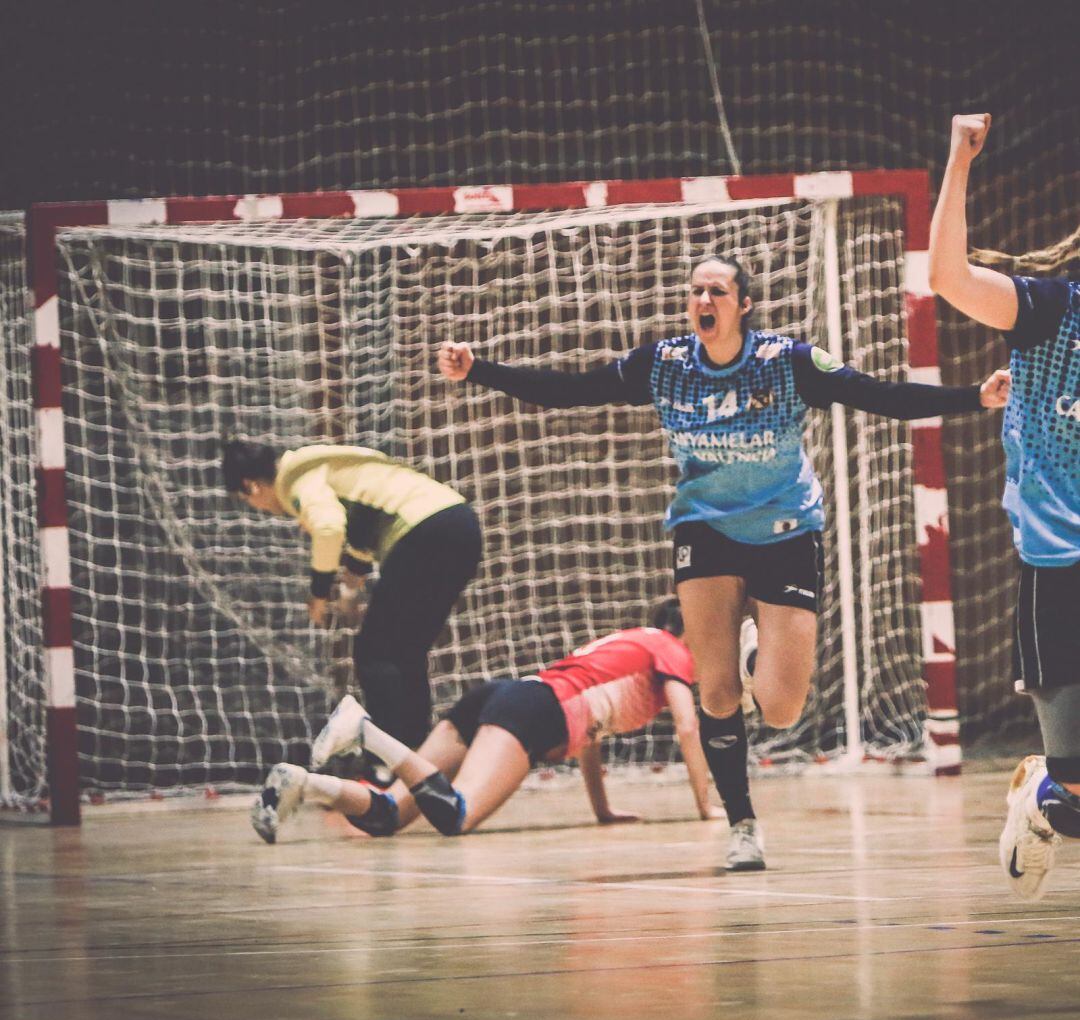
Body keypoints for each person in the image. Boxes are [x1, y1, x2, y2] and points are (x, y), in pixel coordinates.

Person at [437, 255, 1010, 870]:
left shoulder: (787, 362)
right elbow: (574, 390)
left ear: (743, 305)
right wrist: (481, 371)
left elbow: (876, 395)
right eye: (695, 291)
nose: (703, 299)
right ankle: (742, 825)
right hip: (704, 532)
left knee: (783, 707)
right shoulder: (665, 365)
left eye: (717, 290)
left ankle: (755, 649)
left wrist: (971, 398)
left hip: (785, 532)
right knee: (714, 693)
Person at [928, 112, 1080, 901]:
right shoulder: (1052, 311)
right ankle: (1043, 797)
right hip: (1059, 567)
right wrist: (959, 160)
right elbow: (949, 278)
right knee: (1079, 793)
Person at [251, 600, 724, 842]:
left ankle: (307, 784)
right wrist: (707, 808)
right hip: (533, 710)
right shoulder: (673, 650)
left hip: (508, 696)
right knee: (454, 816)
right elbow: (688, 726)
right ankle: (364, 730)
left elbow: (590, 737)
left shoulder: (630, 645)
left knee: (390, 817)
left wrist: (602, 810)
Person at [223, 441, 482, 753]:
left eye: (248, 501)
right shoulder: (323, 466)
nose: (260, 508)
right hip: (459, 523)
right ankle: (418, 758)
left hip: (423, 530)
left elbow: (330, 528)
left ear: (251, 487)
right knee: (404, 653)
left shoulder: (295, 478)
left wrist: (319, 593)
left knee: (376, 654)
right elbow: (364, 521)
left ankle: (389, 763)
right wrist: (350, 586)